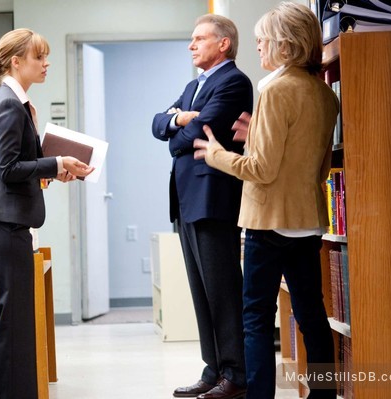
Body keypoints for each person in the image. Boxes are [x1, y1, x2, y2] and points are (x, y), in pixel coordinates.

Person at [193, 3, 339, 398]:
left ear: (284, 45)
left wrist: (215, 153)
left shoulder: (274, 89)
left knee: (256, 319)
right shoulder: (325, 95)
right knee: (313, 316)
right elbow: (318, 167)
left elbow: (260, 169)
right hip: (307, 221)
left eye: (262, 39)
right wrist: (257, 132)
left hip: (268, 223)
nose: (257, 46)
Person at [0, 28, 93, 399]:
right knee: (14, 322)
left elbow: (16, 165)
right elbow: (9, 169)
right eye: (39, 57)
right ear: (16, 62)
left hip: (8, 221)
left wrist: (54, 171)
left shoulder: (11, 102)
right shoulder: (10, 105)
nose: (46, 64)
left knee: (14, 321)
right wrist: (56, 161)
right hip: (7, 224)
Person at [152, 14, 253, 399]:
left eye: (199, 39)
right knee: (201, 290)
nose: (191, 45)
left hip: (214, 200)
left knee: (223, 289)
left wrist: (177, 130)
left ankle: (236, 376)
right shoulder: (195, 85)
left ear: (223, 43)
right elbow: (158, 123)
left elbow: (192, 138)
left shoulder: (233, 82)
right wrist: (178, 119)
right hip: (187, 200)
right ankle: (213, 370)